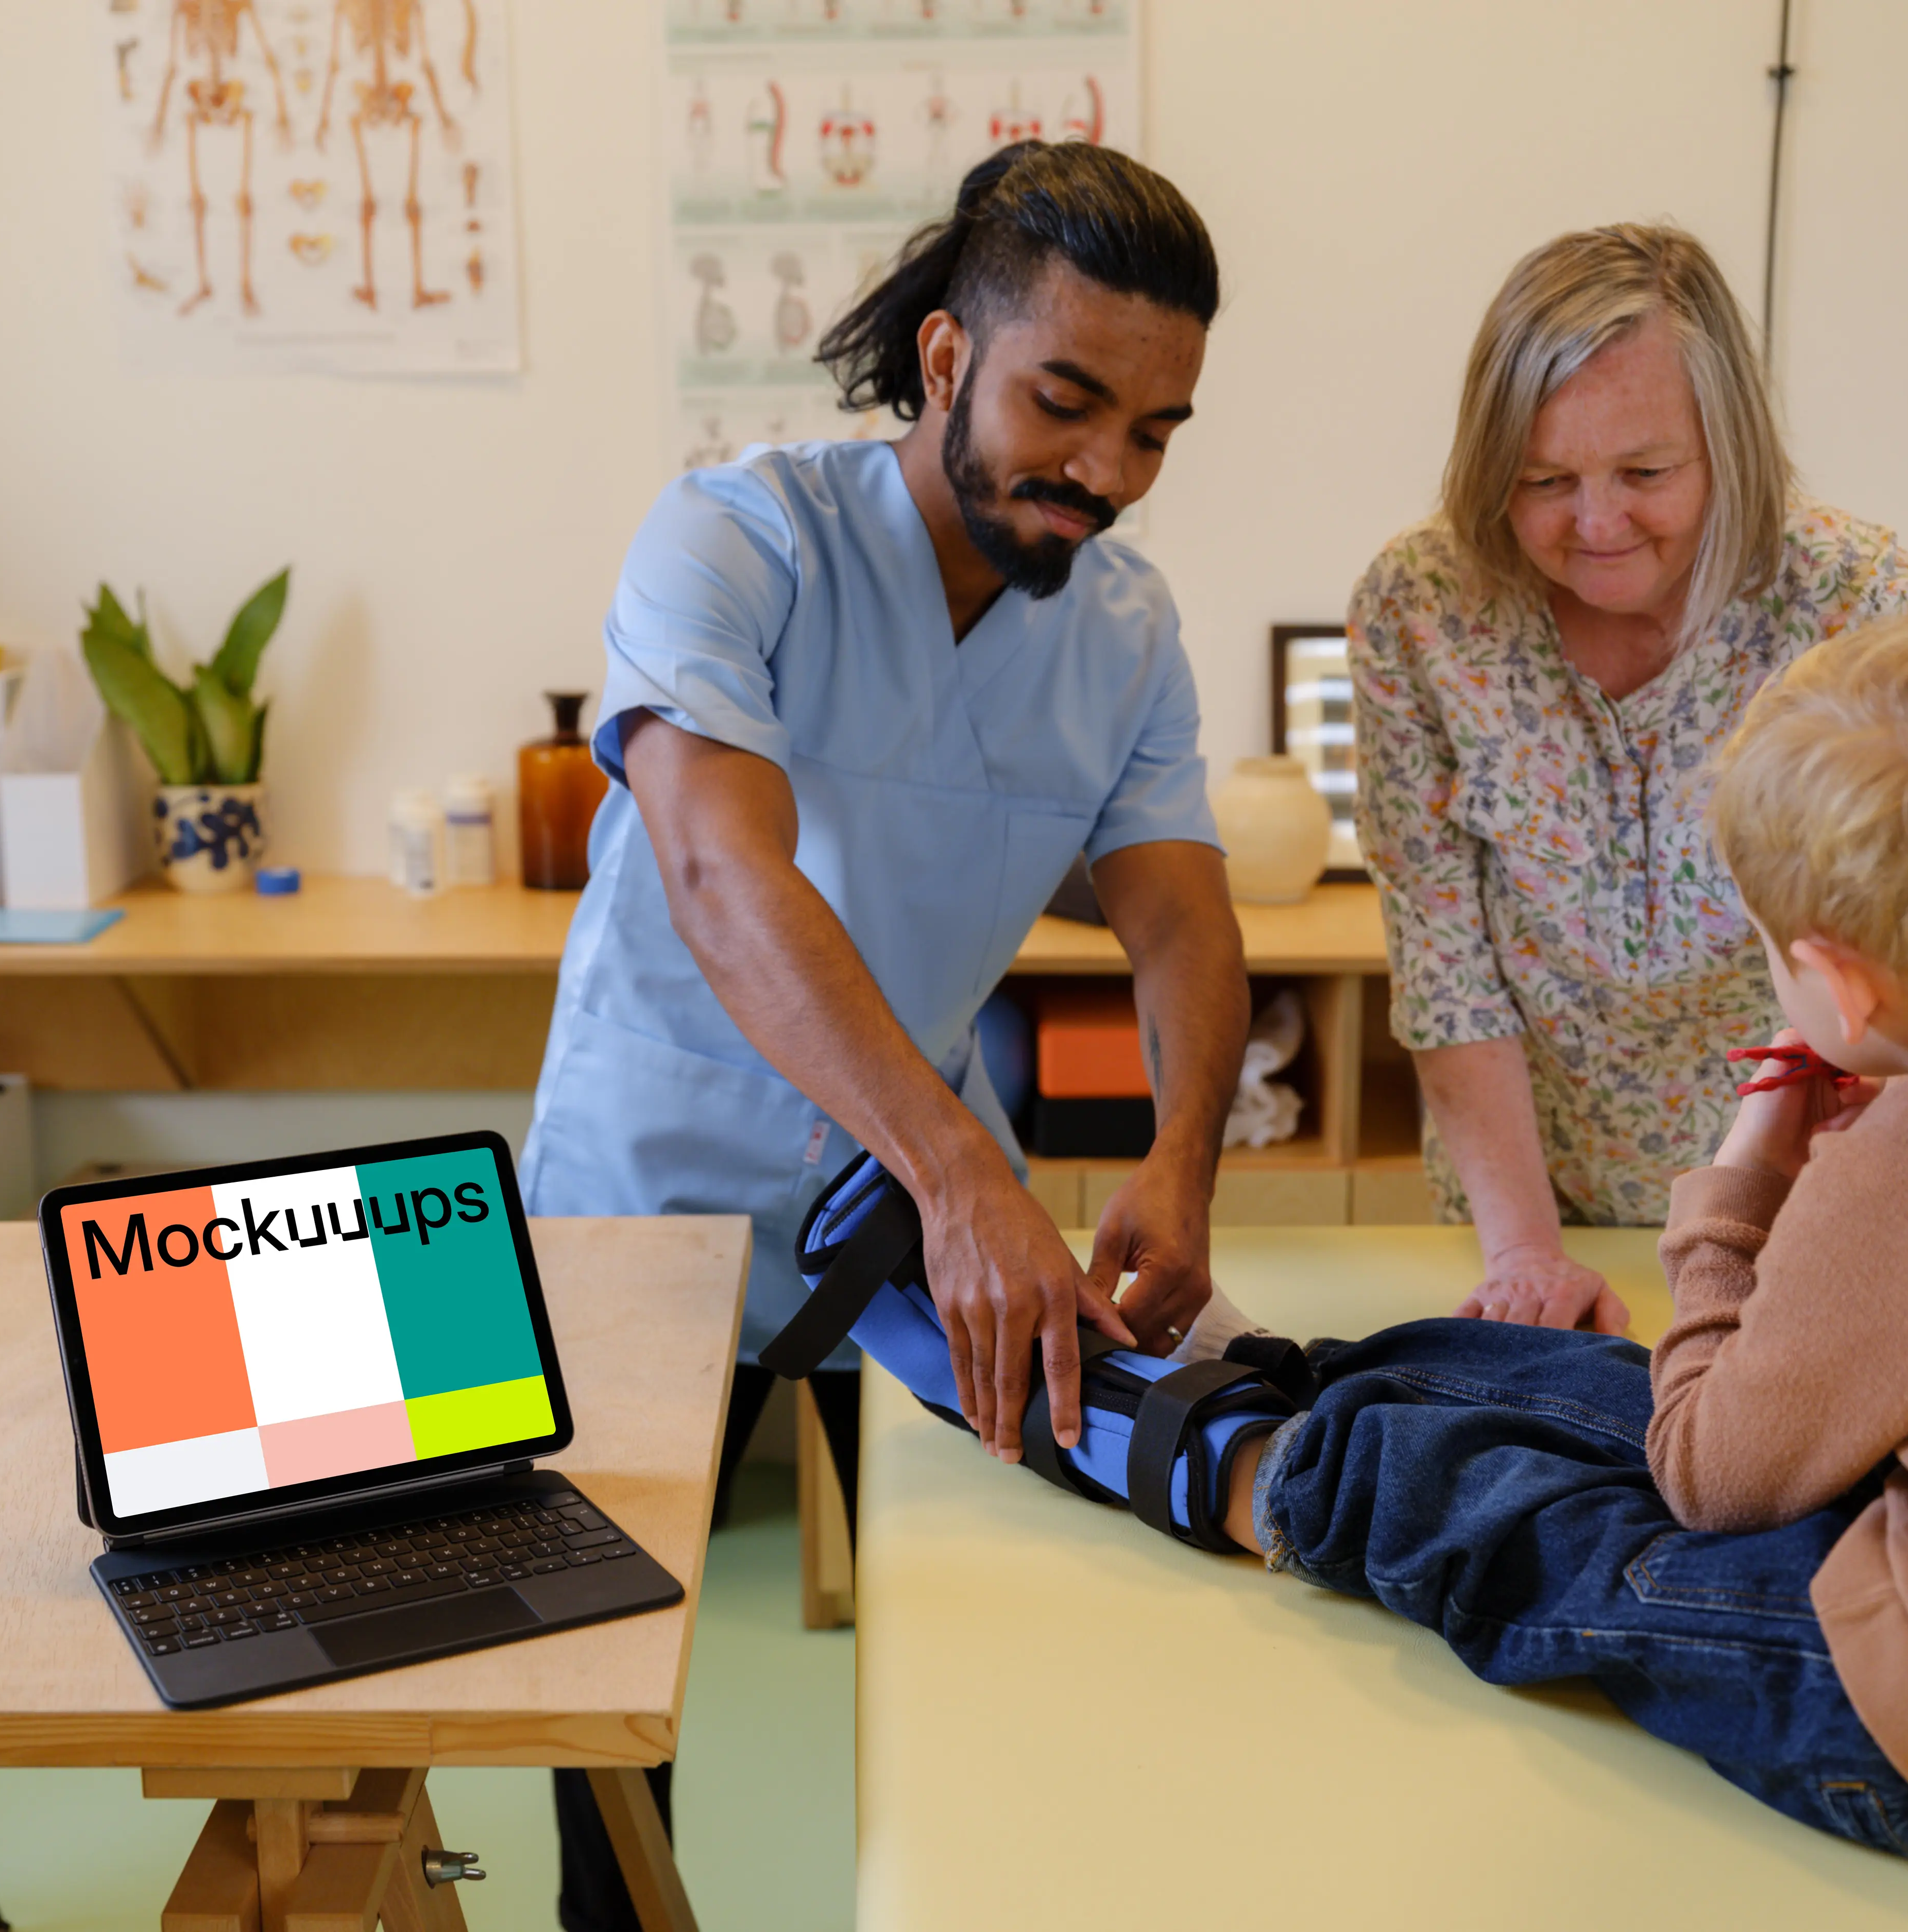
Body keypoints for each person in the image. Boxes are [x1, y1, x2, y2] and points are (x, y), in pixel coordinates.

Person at [801, 606, 1908, 1877]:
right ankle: (1278, 1370)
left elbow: (1714, 1483)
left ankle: (1221, 1453)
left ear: (1844, 988)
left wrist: (1742, 1183)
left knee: (1519, 1520)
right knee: (1593, 1385)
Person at [520, 141, 1249, 1931]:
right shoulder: (738, 539)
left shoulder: (1126, 632)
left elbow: (1178, 915)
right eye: (1067, 405)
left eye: (1154, 433)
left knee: (977, 1606)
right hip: (660, 1190)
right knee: (604, 1681)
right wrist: (962, 1170)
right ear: (945, 357)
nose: (1107, 472)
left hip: (893, 1216)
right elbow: (720, 871)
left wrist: (1182, 1159)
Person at [1348, 223, 1908, 1334]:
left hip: (1805, 1188)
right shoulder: (1420, 606)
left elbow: (1900, 959)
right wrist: (1526, 1254)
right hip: (1524, 1198)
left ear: (1728, 444)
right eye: (1543, 479)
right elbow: (1443, 962)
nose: (1597, 523)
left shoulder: (1855, 605)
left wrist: (1766, 1216)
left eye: (1646, 473)